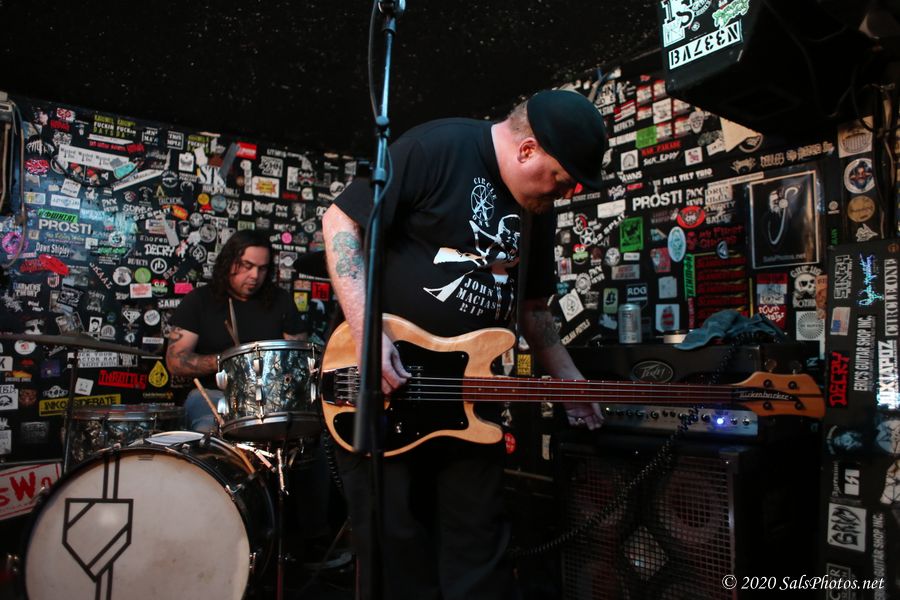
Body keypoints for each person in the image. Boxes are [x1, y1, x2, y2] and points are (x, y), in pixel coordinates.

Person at [322, 89, 607, 600]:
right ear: (528, 150)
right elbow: (341, 221)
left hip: (473, 396)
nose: (564, 193)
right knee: (397, 556)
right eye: (562, 179)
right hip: (388, 389)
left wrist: (568, 380)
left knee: (479, 553)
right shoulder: (436, 147)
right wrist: (369, 338)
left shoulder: (536, 205)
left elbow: (533, 309)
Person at [165, 229, 307, 432]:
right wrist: (229, 361)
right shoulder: (200, 300)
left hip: (269, 400)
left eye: (262, 268)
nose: (255, 275)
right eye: (247, 266)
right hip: (214, 396)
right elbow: (175, 361)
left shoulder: (281, 301)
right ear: (229, 262)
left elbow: (299, 360)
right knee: (208, 431)